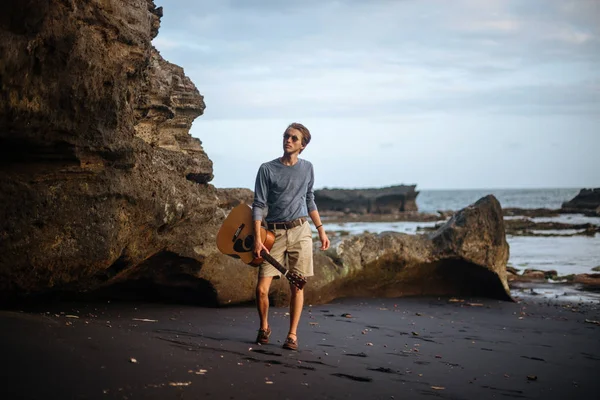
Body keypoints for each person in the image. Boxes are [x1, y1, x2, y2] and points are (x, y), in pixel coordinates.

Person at [251, 122, 330, 350]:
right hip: (272, 234)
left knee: (297, 286)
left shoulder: (308, 168)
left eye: (294, 138)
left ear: (302, 145)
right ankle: (264, 326)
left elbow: (309, 199)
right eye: (286, 136)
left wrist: (320, 229)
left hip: (300, 231)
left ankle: (292, 334)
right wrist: (257, 238)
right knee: (261, 289)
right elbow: (258, 204)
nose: (288, 140)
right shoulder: (267, 169)